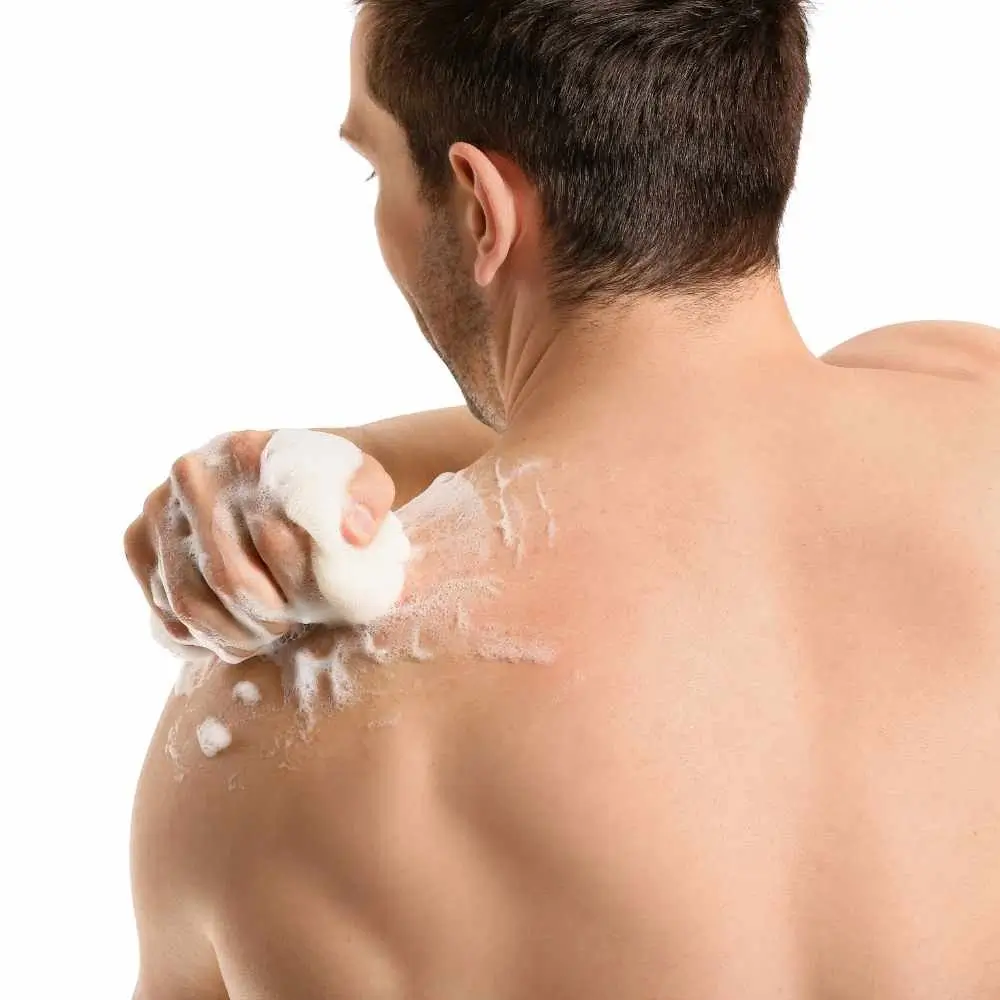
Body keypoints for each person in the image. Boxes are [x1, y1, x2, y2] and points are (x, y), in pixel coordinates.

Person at [125, 2, 1000, 997]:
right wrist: (347, 458)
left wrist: (306, 471)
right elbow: (705, 433)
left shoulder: (282, 729)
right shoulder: (970, 395)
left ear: (480, 208)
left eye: (374, 167)